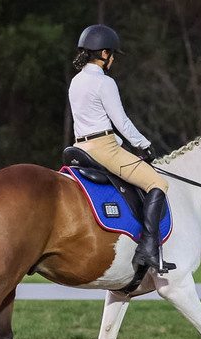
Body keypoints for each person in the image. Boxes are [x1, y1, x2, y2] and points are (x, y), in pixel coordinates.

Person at [68, 24, 175, 273]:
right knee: (158, 183)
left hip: (80, 146)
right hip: (104, 149)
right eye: (113, 54)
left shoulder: (75, 81)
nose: (113, 59)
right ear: (104, 53)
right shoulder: (105, 83)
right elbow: (122, 122)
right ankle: (148, 248)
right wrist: (144, 145)